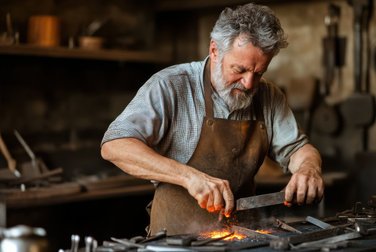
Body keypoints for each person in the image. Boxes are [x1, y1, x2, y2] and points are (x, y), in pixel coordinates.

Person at [101, 3, 324, 235]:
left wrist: (308, 169)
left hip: (245, 238)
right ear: (215, 51)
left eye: (258, 73)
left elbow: (299, 149)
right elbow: (114, 145)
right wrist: (189, 177)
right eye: (239, 70)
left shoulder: (268, 95)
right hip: (176, 240)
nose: (248, 83)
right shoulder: (170, 85)